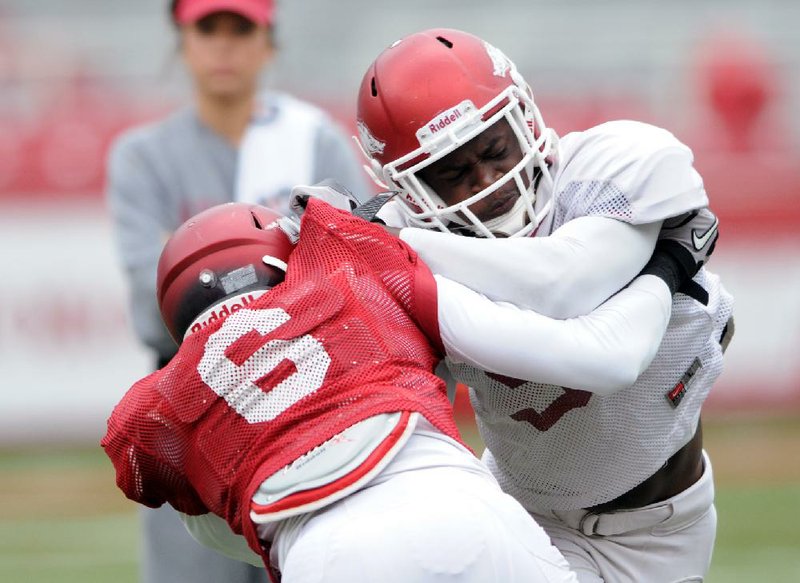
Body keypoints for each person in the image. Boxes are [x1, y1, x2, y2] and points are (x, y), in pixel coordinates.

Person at [347, 28, 735, 583]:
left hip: (662, 527)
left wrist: (397, 246)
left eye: (494, 150)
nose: (489, 182)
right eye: (454, 173)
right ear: (408, 190)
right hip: (521, 512)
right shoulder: (394, 247)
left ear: (524, 117)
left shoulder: (613, 163)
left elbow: (561, 285)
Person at [103, 199, 584, 583]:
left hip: (328, 557)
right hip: (465, 507)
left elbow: (224, 532)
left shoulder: (158, 405)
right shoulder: (351, 278)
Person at [105, 2, 370, 582]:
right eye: (208, 29)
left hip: (310, 425)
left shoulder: (315, 143)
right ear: (182, 41)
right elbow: (153, 321)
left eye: (240, 29)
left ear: (268, 42)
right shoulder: (142, 158)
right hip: (197, 428)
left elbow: (363, 279)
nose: (223, 45)